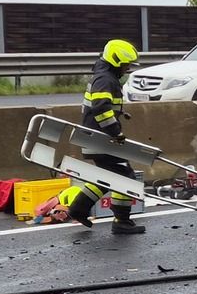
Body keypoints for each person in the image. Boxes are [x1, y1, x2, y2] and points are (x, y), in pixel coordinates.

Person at [60, 38, 146, 234]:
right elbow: (100, 109)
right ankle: (121, 221)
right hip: (100, 139)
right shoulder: (106, 79)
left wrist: (120, 113)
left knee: (108, 176)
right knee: (126, 177)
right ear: (116, 61)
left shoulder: (104, 76)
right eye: (126, 65)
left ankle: (78, 209)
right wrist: (115, 131)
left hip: (93, 137)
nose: (128, 69)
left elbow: (101, 105)